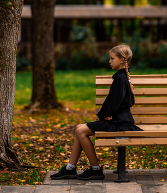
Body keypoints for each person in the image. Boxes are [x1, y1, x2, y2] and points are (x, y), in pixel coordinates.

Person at [50, 44, 143, 181]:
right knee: (79, 128)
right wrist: (108, 113)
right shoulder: (124, 77)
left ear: (122, 60)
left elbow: (113, 102)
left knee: (81, 131)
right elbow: (126, 101)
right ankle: (70, 168)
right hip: (121, 121)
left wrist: (104, 115)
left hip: (119, 123)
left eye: (112, 58)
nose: (109, 61)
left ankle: (95, 170)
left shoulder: (119, 79)